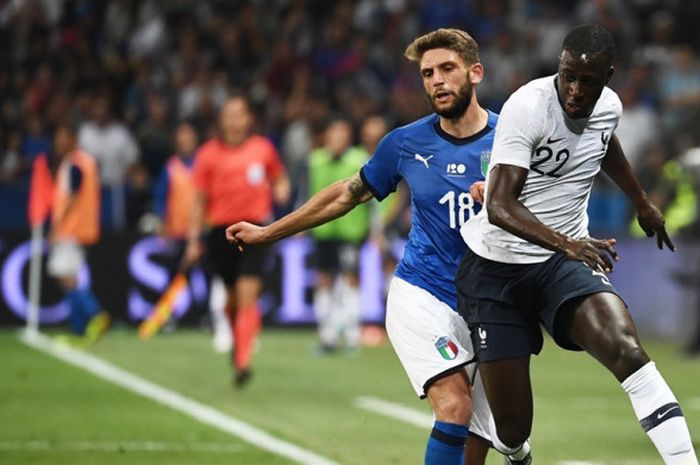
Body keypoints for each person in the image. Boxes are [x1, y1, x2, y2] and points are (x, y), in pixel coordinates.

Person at [227, 28, 531, 465]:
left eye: (447, 68)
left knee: (488, 439)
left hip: (489, 303)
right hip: (422, 294)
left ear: (475, 72)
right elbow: (346, 194)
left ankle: (517, 449)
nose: (437, 81)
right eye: (428, 74)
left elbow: (546, 207)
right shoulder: (405, 143)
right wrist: (268, 231)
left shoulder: (513, 140)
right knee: (454, 407)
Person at [456, 24, 698, 465]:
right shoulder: (528, 106)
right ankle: (516, 454)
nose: (574, 90)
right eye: (568, 76)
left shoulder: (609, 107)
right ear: (559, 67)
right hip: (496, 268)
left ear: (608, 76)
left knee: (627, 351)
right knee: (511, 428)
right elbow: (498, 205)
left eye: (588, 81)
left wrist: (642, 203)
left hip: (561, 264)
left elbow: (603, 144)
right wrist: (566, 242)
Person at [184, 95, 291, 388]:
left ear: (247, 119)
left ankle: (243, 360)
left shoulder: (262, 149)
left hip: (255, 230)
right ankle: (238, 344)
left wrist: (281, 189)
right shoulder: (208, 154)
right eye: (228, 114)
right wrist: (193, 238)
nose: (233, 119)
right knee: (231, 300)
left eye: (239, 113)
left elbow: (280, 178)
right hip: (221, 233)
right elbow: (198, 199)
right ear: (222, 119)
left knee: (247, 294)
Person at [307, 116, 371, 354]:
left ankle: (352, 335)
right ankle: (327, 336)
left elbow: (372, 200)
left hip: (350, 231)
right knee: (323, 281)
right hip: (322, 230)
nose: (337, 140)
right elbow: (306, 192)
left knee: (350, 280)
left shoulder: (360, 160)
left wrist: (375, 230)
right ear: (326, 137)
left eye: (342, 135)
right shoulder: (315, 161)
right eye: (333, 135)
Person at [48, 125, 109, 345]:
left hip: (70, 230)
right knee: (68, 278)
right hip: (84, 229)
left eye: (63, 137)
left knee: (67, 277)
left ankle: (94, 314)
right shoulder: (88, 161)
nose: (59, 143)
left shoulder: (73, 163)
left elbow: (73, 195)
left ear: (72, 139)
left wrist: (57, 227)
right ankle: (79, 327)